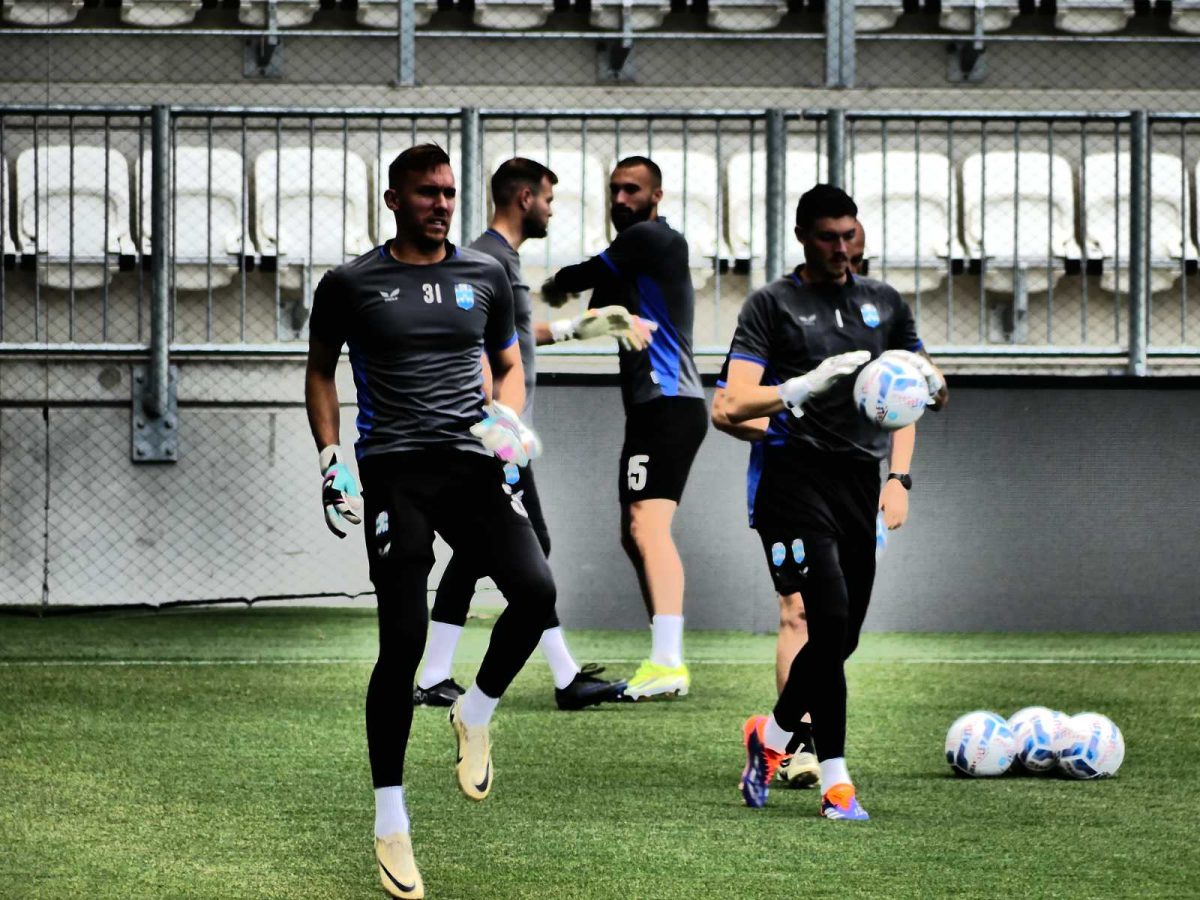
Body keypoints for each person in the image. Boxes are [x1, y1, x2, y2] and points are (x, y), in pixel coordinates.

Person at [305, 144, 557, 899]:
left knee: (537, 592)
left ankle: (475, 711)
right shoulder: (350, 283)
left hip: (472, 466)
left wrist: (508, 418)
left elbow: (507, 363)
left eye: (448, 192)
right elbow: (319, 371)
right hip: (394, 473)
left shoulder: (484, 276)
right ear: (393, 200)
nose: (441, 204)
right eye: (425, 192)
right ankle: (391, 821)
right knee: (404, 643)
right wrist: (330, 458)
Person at [719, 185, 946, 821]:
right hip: (793, 479)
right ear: (802, 237)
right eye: (828, 236)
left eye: (850, 234)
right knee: (825, 617)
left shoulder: (885, 302)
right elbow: (730, 403)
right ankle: (837, 784)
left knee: (841, 638)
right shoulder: (772, 305)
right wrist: (800, 387)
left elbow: (918, 393)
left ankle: (770, 735)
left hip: (858, 482)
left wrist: (903, 466)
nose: (842, 248)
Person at [414, 157, 650, 712]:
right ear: (525, 199)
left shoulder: (499, 259)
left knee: (484, 551)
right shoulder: (485, 259)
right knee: (527, 548)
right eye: (548, 199)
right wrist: (494, 419)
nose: (551, 210)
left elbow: (513, 337)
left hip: (502, 433)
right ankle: (558, 679)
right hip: (493, 437)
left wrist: (579, 327)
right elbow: (471, 347)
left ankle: (441, 674)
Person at [543, 155, 707, 700]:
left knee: (647, 528)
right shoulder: (630, 260)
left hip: (668, 402)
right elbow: (593, 315)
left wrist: (552, 286)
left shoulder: (654, 239)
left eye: (632, 189)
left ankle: (668, 663)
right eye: (614, 189)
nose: (620, 199)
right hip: (651, 407)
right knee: (632, 531)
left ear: (656, 196)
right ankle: (664, 656)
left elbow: (576, 279)